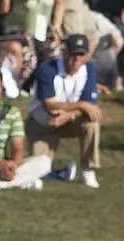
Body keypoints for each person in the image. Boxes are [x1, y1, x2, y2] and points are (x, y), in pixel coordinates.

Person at [29, 33, 102, 187]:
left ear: (86, 56)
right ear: (65, 52)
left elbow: (91, 106)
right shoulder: (47, 68)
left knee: (92, 121)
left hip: (66, 119)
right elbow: (49, 104)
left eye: (81, 55)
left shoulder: (89, 69)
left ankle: (88, 170)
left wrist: (68, 116)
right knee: (37, 170)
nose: (76, 59)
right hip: (43, 122)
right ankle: (61, 173)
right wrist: (81, 105)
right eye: (73, 54)